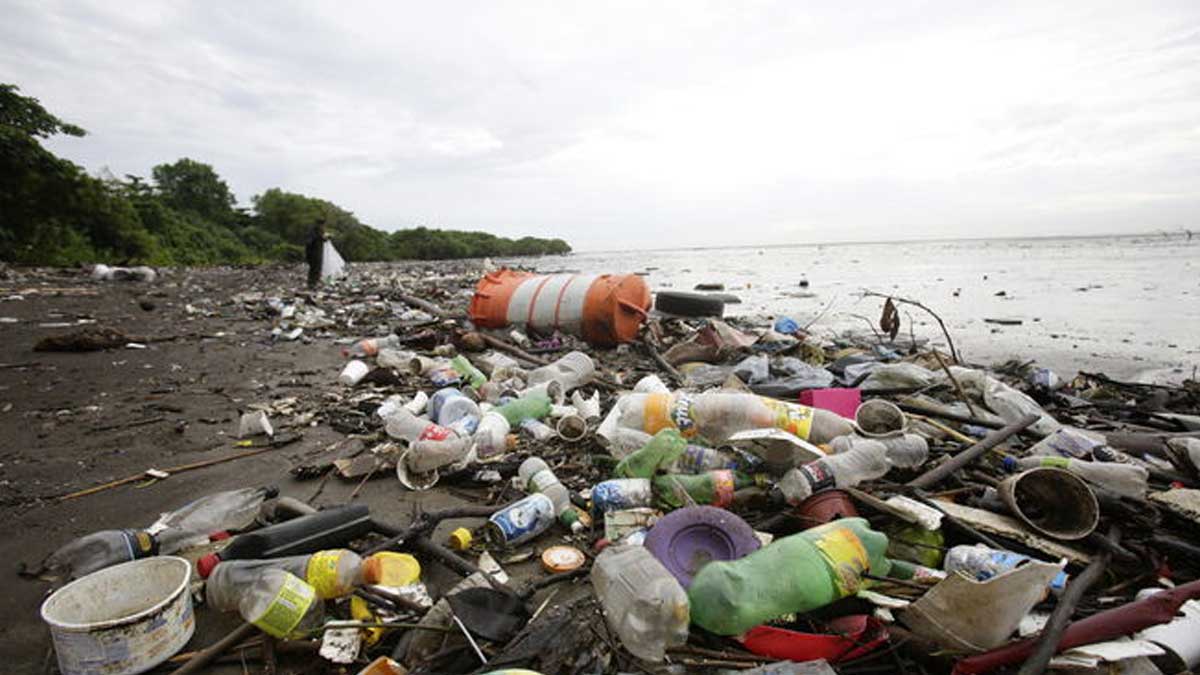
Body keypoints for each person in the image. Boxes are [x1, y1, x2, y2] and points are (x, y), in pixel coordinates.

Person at [305, 221, 328, 289]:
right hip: (314, 253)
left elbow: (322, 239)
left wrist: (325, 238)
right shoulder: (314, 232)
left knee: (315, 269)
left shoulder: (316, 232)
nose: (324, 227)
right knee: (315, 269)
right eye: (323, 225)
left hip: (315, 253)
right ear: (320, 225)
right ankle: (312, 284)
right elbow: (311, 242)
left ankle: (313, 283)